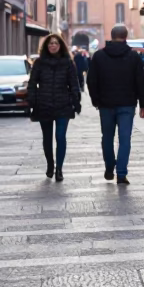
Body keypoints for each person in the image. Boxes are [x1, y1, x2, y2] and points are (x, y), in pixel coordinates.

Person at [87, 26, 144, 184]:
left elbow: (91, 80)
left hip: (105, 104)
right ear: (126, 36)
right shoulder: (133, 57)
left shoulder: (99, 56)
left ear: (111, 36)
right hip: (127, 104)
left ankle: (109, 166)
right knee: (125, 139)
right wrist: (143, 104)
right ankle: (121, 173)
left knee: (107, 137)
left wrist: (95, 100)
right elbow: (140, 81)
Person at [28, 34, 82, 182]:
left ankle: (59, 169)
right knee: (47, 138)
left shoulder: (68, 63)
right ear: (46, 46)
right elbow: (32, 83)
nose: (53, 45)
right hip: (44, 104)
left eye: (55, 43)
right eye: (50, 43)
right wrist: (32, 101)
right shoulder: (39, 63)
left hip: (63, 105)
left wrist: (75, 101)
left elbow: (74, 84)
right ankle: (50, 164)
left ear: (60, 46)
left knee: (60, 137)